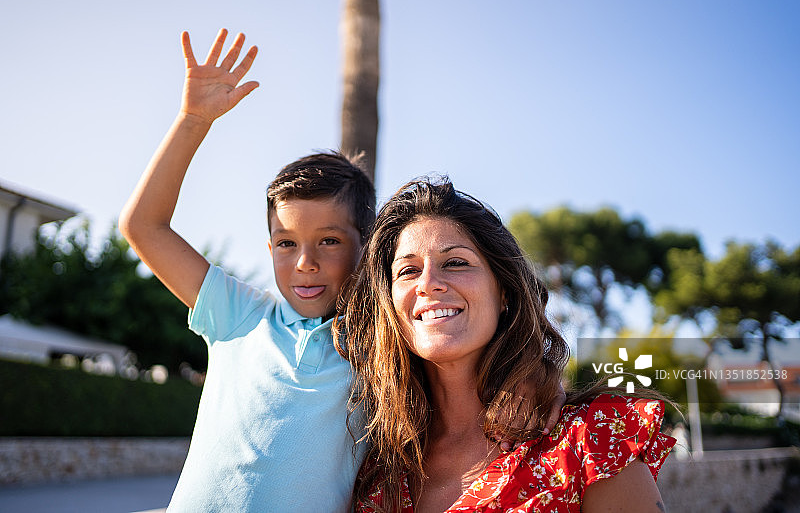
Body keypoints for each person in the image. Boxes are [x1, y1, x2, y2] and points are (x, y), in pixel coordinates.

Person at [120, 29, 563, 512]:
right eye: (286, 244)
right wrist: (191, 120)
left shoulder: (382, 341)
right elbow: (143, 226)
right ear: (269, 248)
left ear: (367, 247)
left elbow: (466, 355)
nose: (305, 262)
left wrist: (536, 378)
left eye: (329, 241)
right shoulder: (239, 315)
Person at [335, 178, 676, 512]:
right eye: (408, 271)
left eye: (455, 262)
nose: (428, 284)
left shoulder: (591, 443)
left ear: (504, 293)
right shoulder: (375, 471)